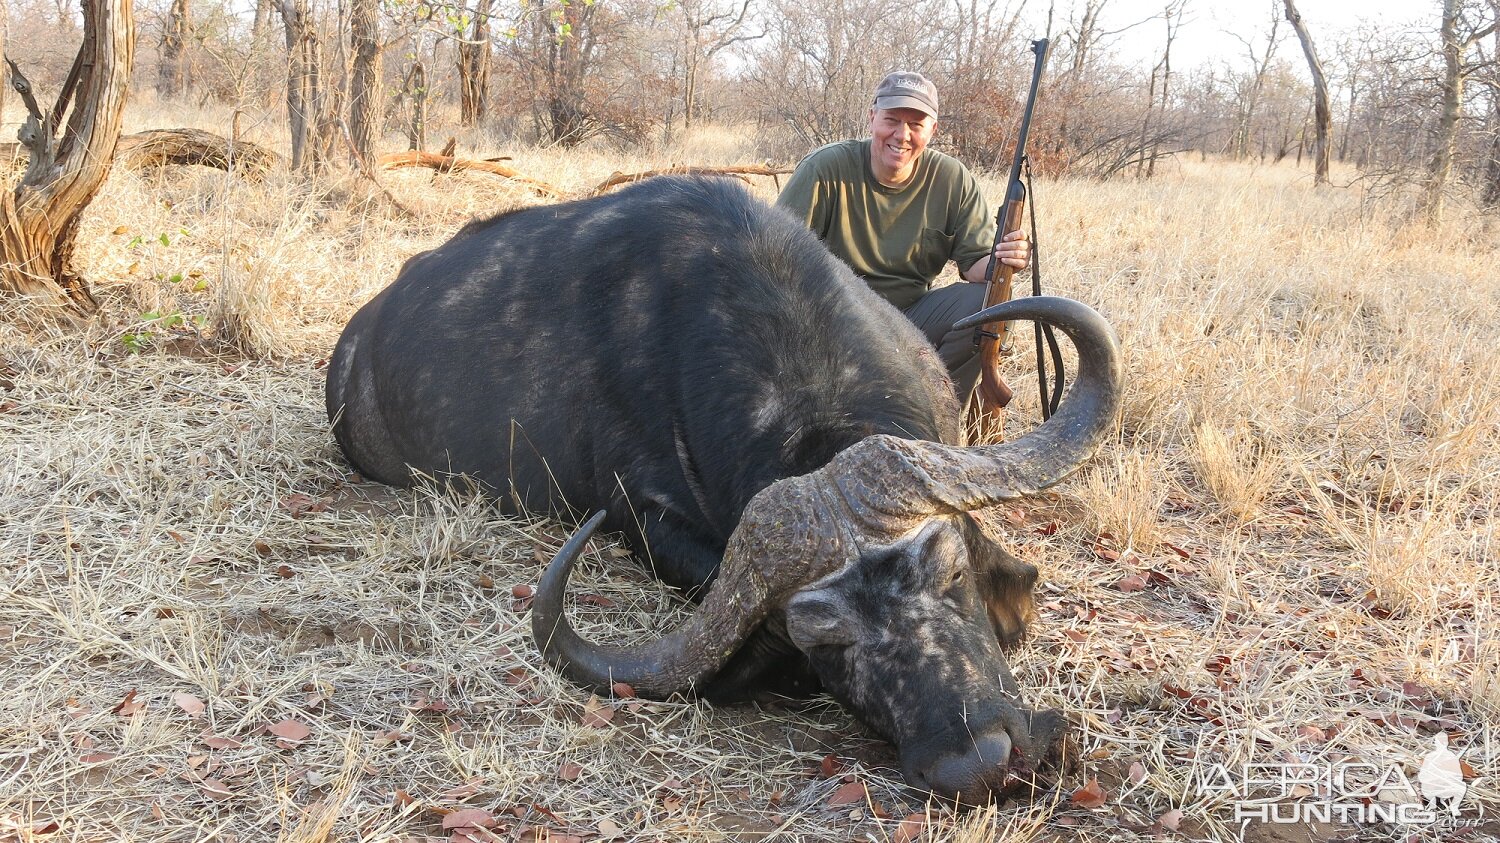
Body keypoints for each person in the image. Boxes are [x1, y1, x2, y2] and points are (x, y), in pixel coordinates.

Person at [776, 70, 1030, 401]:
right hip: (834, 320)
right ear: (872, 118)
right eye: (892, 120)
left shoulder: (951, 178)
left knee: (990, 303)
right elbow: (777, 256)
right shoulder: (825, 168)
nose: (902, 134)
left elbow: (976, 265)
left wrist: (1005, 259)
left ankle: (933, 410)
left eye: (916, 124)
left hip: (911, 322)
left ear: (933, 130)